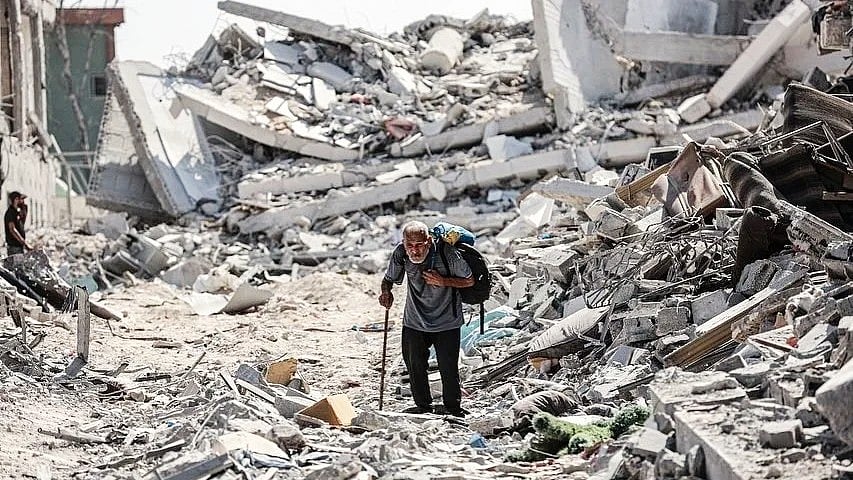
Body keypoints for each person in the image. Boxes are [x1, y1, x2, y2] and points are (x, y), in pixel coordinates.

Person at [378, 221, 474, 417]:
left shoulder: (446, 253)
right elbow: (388, 279)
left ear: (428, 241)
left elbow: (469, 280)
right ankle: (423, 407)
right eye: (410, 245)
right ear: (404, 243)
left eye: (419, 245)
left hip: (447, 320)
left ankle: (453, 408)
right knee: (414, 365)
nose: (415, 250)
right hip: (414, 320)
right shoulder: (401, 253)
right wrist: (386, 292)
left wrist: (444, 281)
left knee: (448, 367)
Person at [5, 191, 32, 255]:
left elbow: (22, 224)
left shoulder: (17, 213)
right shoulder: (10, 212)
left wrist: (24, 209)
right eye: (21, 199)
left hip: (19, 247)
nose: (22, 201)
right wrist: (25, 243)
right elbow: (12, 229)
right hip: (14, 248)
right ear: (16, 199)